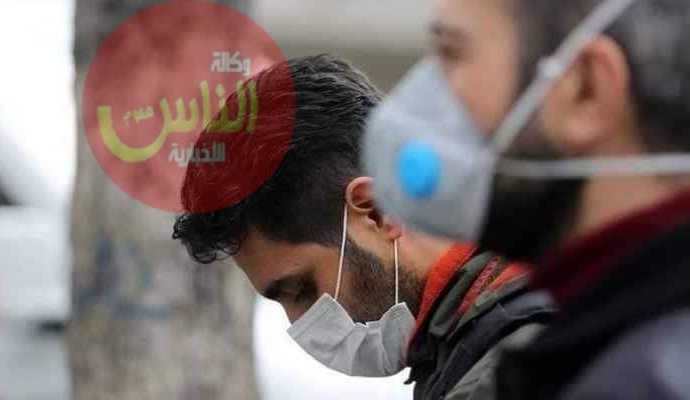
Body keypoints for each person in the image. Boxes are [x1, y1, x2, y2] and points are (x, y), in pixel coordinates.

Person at [172, 54, 554, 400]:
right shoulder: (466, 349)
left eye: (302, 288)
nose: (300, 324)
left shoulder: (518, 368)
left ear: (376, 211)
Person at [362, 0, 690, 399]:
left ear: (585, 89)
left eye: (451, 52)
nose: (423, 93)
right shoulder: (615, 345)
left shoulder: (634, 382)